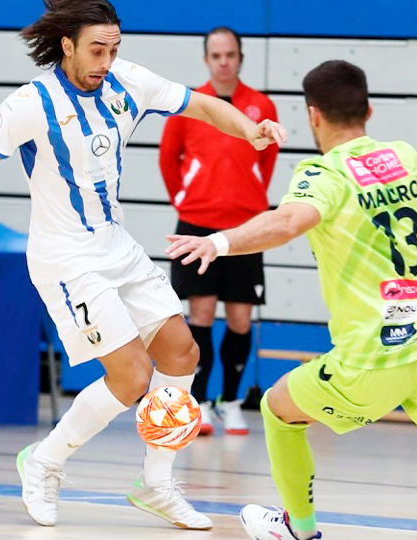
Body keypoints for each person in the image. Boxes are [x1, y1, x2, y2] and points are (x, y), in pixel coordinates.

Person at [166, 60, 417, 540]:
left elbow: (286, 222)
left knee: (278, 409)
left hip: (372, 356)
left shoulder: (325, 174)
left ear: (313, 116)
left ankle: (298, 528)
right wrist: (393, 193)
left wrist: (217, 243)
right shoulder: (403, 158)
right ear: (369, 110)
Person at [0, 0, 285, 530]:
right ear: (67, 46)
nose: (107, 60)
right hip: (65, 258)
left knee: (181, 351)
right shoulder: (33, 103)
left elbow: (201, 106)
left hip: (116, 245)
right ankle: (44, 461)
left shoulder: (127, 80)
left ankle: (155, 484)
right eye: (97, 50)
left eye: (114, 49)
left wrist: (250, 128)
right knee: (130, 377)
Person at [159, 26, 278, 436]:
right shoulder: (191, 105)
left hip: (246, 226)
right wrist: (187, 199)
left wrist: (247, 199)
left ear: (240, 57)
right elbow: (168, 160)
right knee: (202, 314)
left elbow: (267, 161)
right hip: (196, 222)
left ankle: (230, 401)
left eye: (230, 54)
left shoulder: (262, 105)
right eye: (216, 55)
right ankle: (201, 402)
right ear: (207, 59)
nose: (224, 61)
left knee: (241, 318)